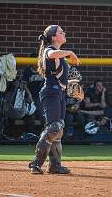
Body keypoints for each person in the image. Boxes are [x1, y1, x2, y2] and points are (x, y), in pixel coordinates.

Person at [28, 24, 80, 174]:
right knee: (54, 127)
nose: (64, 33)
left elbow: (61, 77)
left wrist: (73, 87)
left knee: (59, 129)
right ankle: (36, 164)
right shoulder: (49, 50)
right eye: (60, 32)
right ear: (53, 37)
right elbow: (51, 55)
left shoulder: (59, 54)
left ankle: (54, 165)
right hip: (50, 92)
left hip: (59, 93)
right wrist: (69, 52)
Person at [21, 52, 44, 134]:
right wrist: (29, 94)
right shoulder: (27, 71)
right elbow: (24, 84)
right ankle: (31, 134)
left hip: (40, 97)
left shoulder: (42, 70)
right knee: (30, 115)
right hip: (29, 96)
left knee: (42, 114)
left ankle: (43, 134)